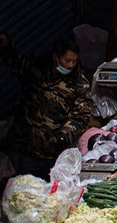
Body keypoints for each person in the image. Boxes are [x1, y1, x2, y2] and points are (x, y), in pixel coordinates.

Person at [0, 36, 92, 177]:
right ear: (55, 57)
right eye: (67, 60)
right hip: (25, 144)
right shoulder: (36, 69)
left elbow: (80, 116)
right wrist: (6, 44)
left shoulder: (79, 84)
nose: (70, 65)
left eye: (74, 61)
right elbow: (14, 60)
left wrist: (63, 137)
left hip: (52, 150)